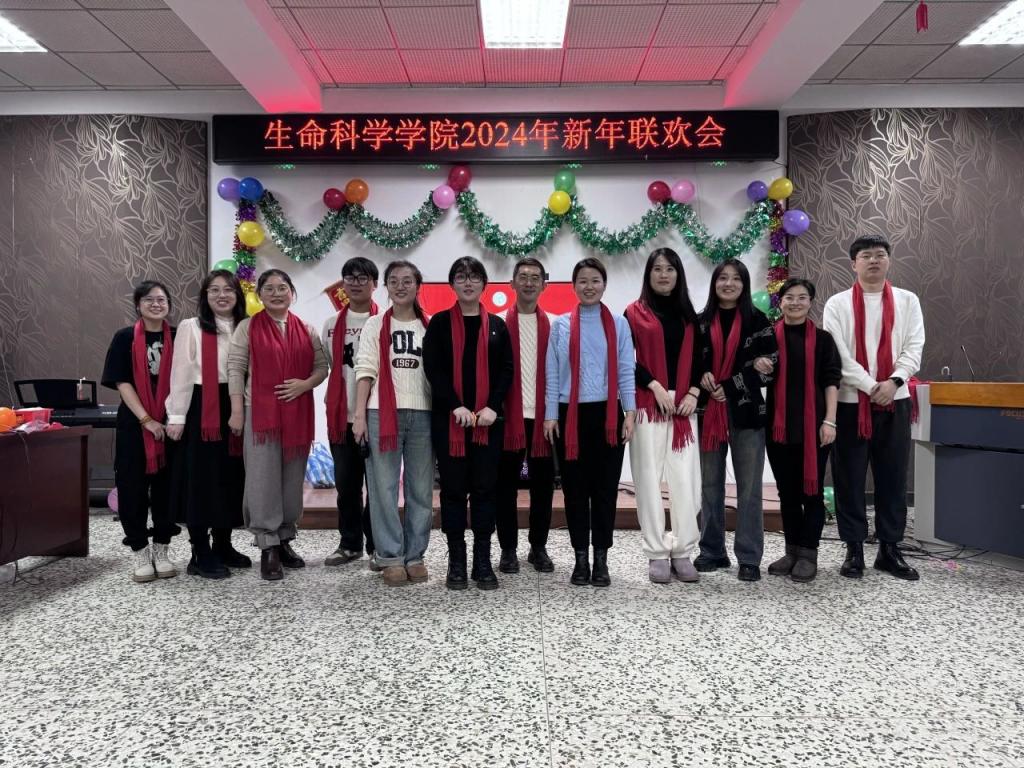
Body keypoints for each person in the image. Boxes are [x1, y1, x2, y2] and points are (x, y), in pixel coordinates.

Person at [823, 235, 925, 581]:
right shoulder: (837, 304)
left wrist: (893, 382)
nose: (873, 261)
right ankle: (853, 548)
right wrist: (871, 386)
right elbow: (838, 354)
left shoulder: (907, 300)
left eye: (880, 255)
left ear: (888, 261)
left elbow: (914, 346)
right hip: (852, 403)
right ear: (854, 264)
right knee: (849, 478)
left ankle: (889, 549)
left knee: (893, 477)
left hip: (895, 401)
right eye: (866, 256)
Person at [227, 269, 328, 581]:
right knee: (262, 479)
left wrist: (304, 385)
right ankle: (267, 545)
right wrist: (236, 411)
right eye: (268, 288)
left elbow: (322, 367)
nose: (276, 293)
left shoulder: (307, 329)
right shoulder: (247, 327)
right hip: (260, 414)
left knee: (292, 479)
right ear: (259, 295)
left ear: (291, 293)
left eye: (282, 287)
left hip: (297, 415)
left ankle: (285, 538)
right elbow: (235, 367)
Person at [544, 257, 636, 588]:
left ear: (604, 285)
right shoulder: (561, 325)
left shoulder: (619, 323)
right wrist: (550, 414)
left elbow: (626, 369)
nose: (589, 286)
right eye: (582, 280)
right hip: (570, 417)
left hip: (608, 416)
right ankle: (580, 559)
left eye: (595, 280)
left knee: (605, 491)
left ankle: (601, 560)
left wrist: (630, 411)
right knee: (575, 492)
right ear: (573, 286)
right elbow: (552, 371)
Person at [423, 256, 513, 591]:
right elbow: (433, 369)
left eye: (474, 276)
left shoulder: (497, 325)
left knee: (485, 491)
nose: (468, 282)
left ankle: (482, 561)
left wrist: (492, 406)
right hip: (450, 425)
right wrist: (455, 405)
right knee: (453, 492)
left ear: (484, 284)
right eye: (461, 277)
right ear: (452, 284)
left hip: (488, 425)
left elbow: (506, 370)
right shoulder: (440, 323)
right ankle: (457, 562)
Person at [695, 258, 777, 582]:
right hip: (708, 411)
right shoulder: (701, 322)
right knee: (709, 484)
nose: (728, 284)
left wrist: (728, 386)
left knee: (750, 487)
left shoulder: (758, 321)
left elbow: (770, 369)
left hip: (748, 412)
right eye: (722, 278)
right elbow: (689, 363)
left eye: (736, 279)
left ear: (744, 285)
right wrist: (701, 376)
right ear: (714, 283)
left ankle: (749, 557)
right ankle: (711, 550)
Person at [352, 260, 433, 587]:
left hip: (423, 414)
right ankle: (389, 556)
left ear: (418, 286)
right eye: (394, 281)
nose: (401, 286)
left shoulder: (430, 325)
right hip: (380, 414)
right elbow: (365, 369)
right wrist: (359, 416)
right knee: (383, 489)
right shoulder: (375, 324)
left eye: (407, 281)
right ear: (386, 286)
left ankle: (415, 555)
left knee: (421, 490)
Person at [625, 248, 703, 585]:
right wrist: (654, 385)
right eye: (657, 269)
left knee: (687, 482)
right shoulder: (633, 312)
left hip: (683, 409)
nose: (663, 275)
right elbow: (625, 359)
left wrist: (694, 393)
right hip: (648, 405)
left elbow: (701, 359)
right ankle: (657, 552)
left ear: (678, 274)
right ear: (648, 274)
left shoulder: (690, 315)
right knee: (648, 480)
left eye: (669, 269)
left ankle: (682, 550)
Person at [165, 269, 251, 579]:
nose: (221, 295)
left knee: (231, 477)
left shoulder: (247, 326)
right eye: (214, 290)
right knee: (201, 481)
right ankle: (199, 551)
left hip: (236, 402)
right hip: (203, 407)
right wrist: (176, 416)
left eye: (228, 289)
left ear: (238, 295)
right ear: (205, 296)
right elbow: (181, 372)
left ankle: (223, 544)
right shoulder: (192, 327)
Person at [101, 280, 181, 583]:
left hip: (172, 424)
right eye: (149, 300)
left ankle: (162, 549)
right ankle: (140, 551)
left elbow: (186, 380)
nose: (156, 304)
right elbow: (122, 382)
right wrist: (147, 420)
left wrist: (172, 419)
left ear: (169, 304)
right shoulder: (124, 338)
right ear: (138, 305)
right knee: (132, 490)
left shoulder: (179, 336)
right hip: (135, 425)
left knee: (167, 490)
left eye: (161, 299)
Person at [764, 278, 841, 583]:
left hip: (815, 429)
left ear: (810, 302)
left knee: (812, 493)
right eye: (789, 297)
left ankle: (809, 553)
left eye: (802, 298)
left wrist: (830, 421)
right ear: (780, 302)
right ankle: (792, 551)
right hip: (778, 429)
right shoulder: (768, 338)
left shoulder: (823, 340)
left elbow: (831, 381)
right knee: (787, 493)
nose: (795, 303)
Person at [496, 257, 556, 575]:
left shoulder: (555, 324)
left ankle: (538, 547)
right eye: (523, 276)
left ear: (544, 285)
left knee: (543, 488)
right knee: (504, 488)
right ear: (512, 283)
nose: (529, 282)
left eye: (535, 277)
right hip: (508, 418)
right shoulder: (497, 324)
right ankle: (508, 550)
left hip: (544, 419)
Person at [322, 257, 378, 567]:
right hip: (341, 418)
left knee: (378, 487)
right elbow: (332, 367)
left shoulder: (383, 320)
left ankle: (377, 544)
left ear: (375, 284)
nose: (356, 283)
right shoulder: (331, 325)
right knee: (346, 485)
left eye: (362, 277)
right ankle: (349, 543)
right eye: (350, 277)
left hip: (376, 416)